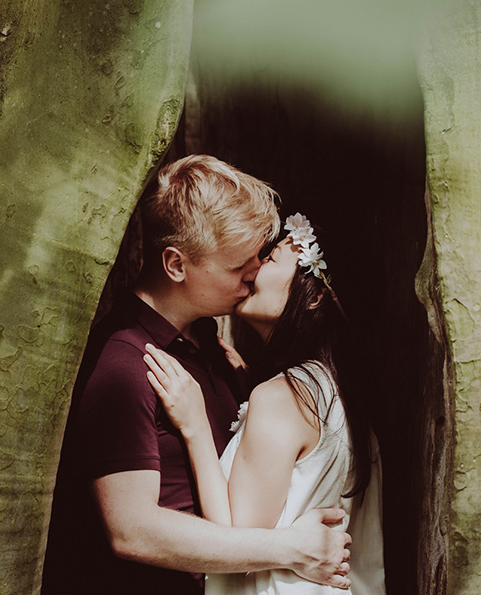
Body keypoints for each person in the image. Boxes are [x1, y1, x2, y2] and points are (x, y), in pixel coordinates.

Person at [42, 157, 354, 594]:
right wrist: (291, 549)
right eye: (237, 266)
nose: (254, 273)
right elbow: (132, 531)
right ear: (176, 265)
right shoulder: (124, 363)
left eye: (259, 257)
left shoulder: (213, 348)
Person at [144, 213, 386, 594]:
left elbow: (233, 540)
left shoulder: (285, 397)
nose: (254, 268)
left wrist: (195, 425)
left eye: (271, 258)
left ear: (314, 297)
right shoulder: (337, 396)